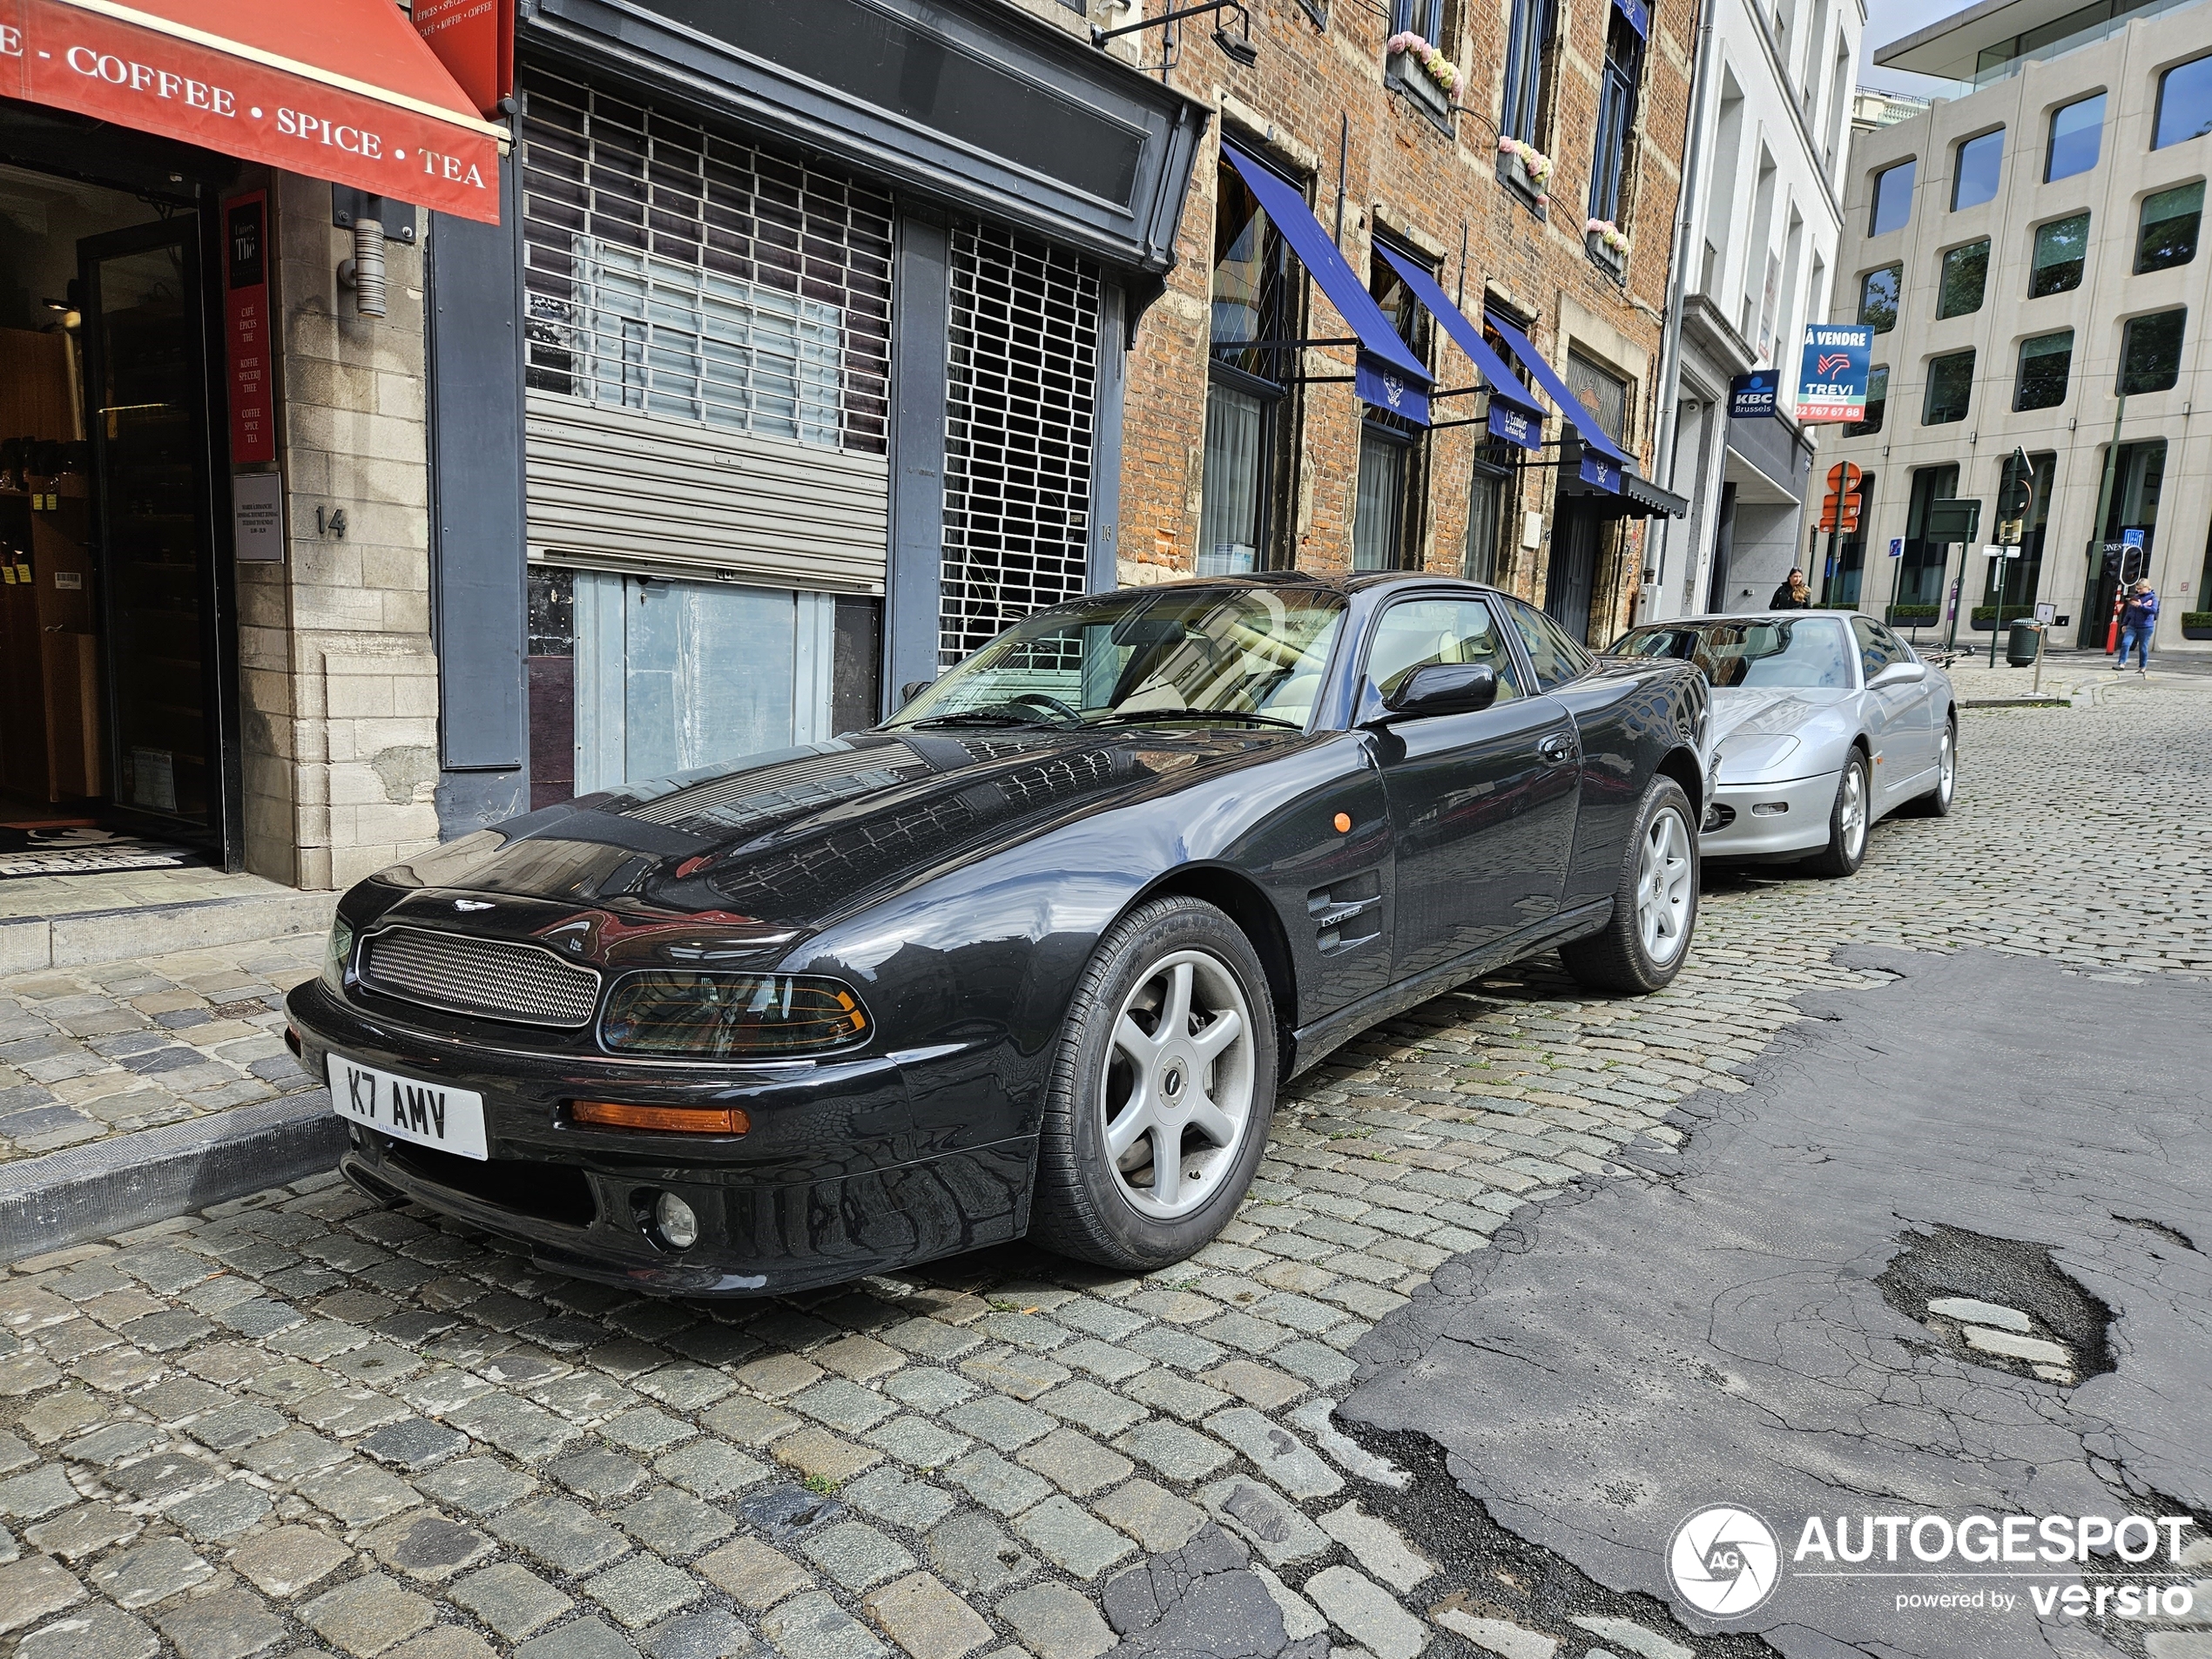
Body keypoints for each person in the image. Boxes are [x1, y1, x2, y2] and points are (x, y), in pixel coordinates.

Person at [2115, 578, 2158, 673]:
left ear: (2147, 587)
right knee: (2126, 643)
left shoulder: (2153, 598)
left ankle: (2142, 667)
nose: (2138, 591)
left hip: (2146, 626)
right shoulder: (2135, 597)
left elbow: (2153, 610)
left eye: (2140, 589)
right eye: (2137, 589)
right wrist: (2124, 623)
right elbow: (2129, 612)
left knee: (2143, 647)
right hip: (2132, 625)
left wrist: (2140, 606)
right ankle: (2121, 663)